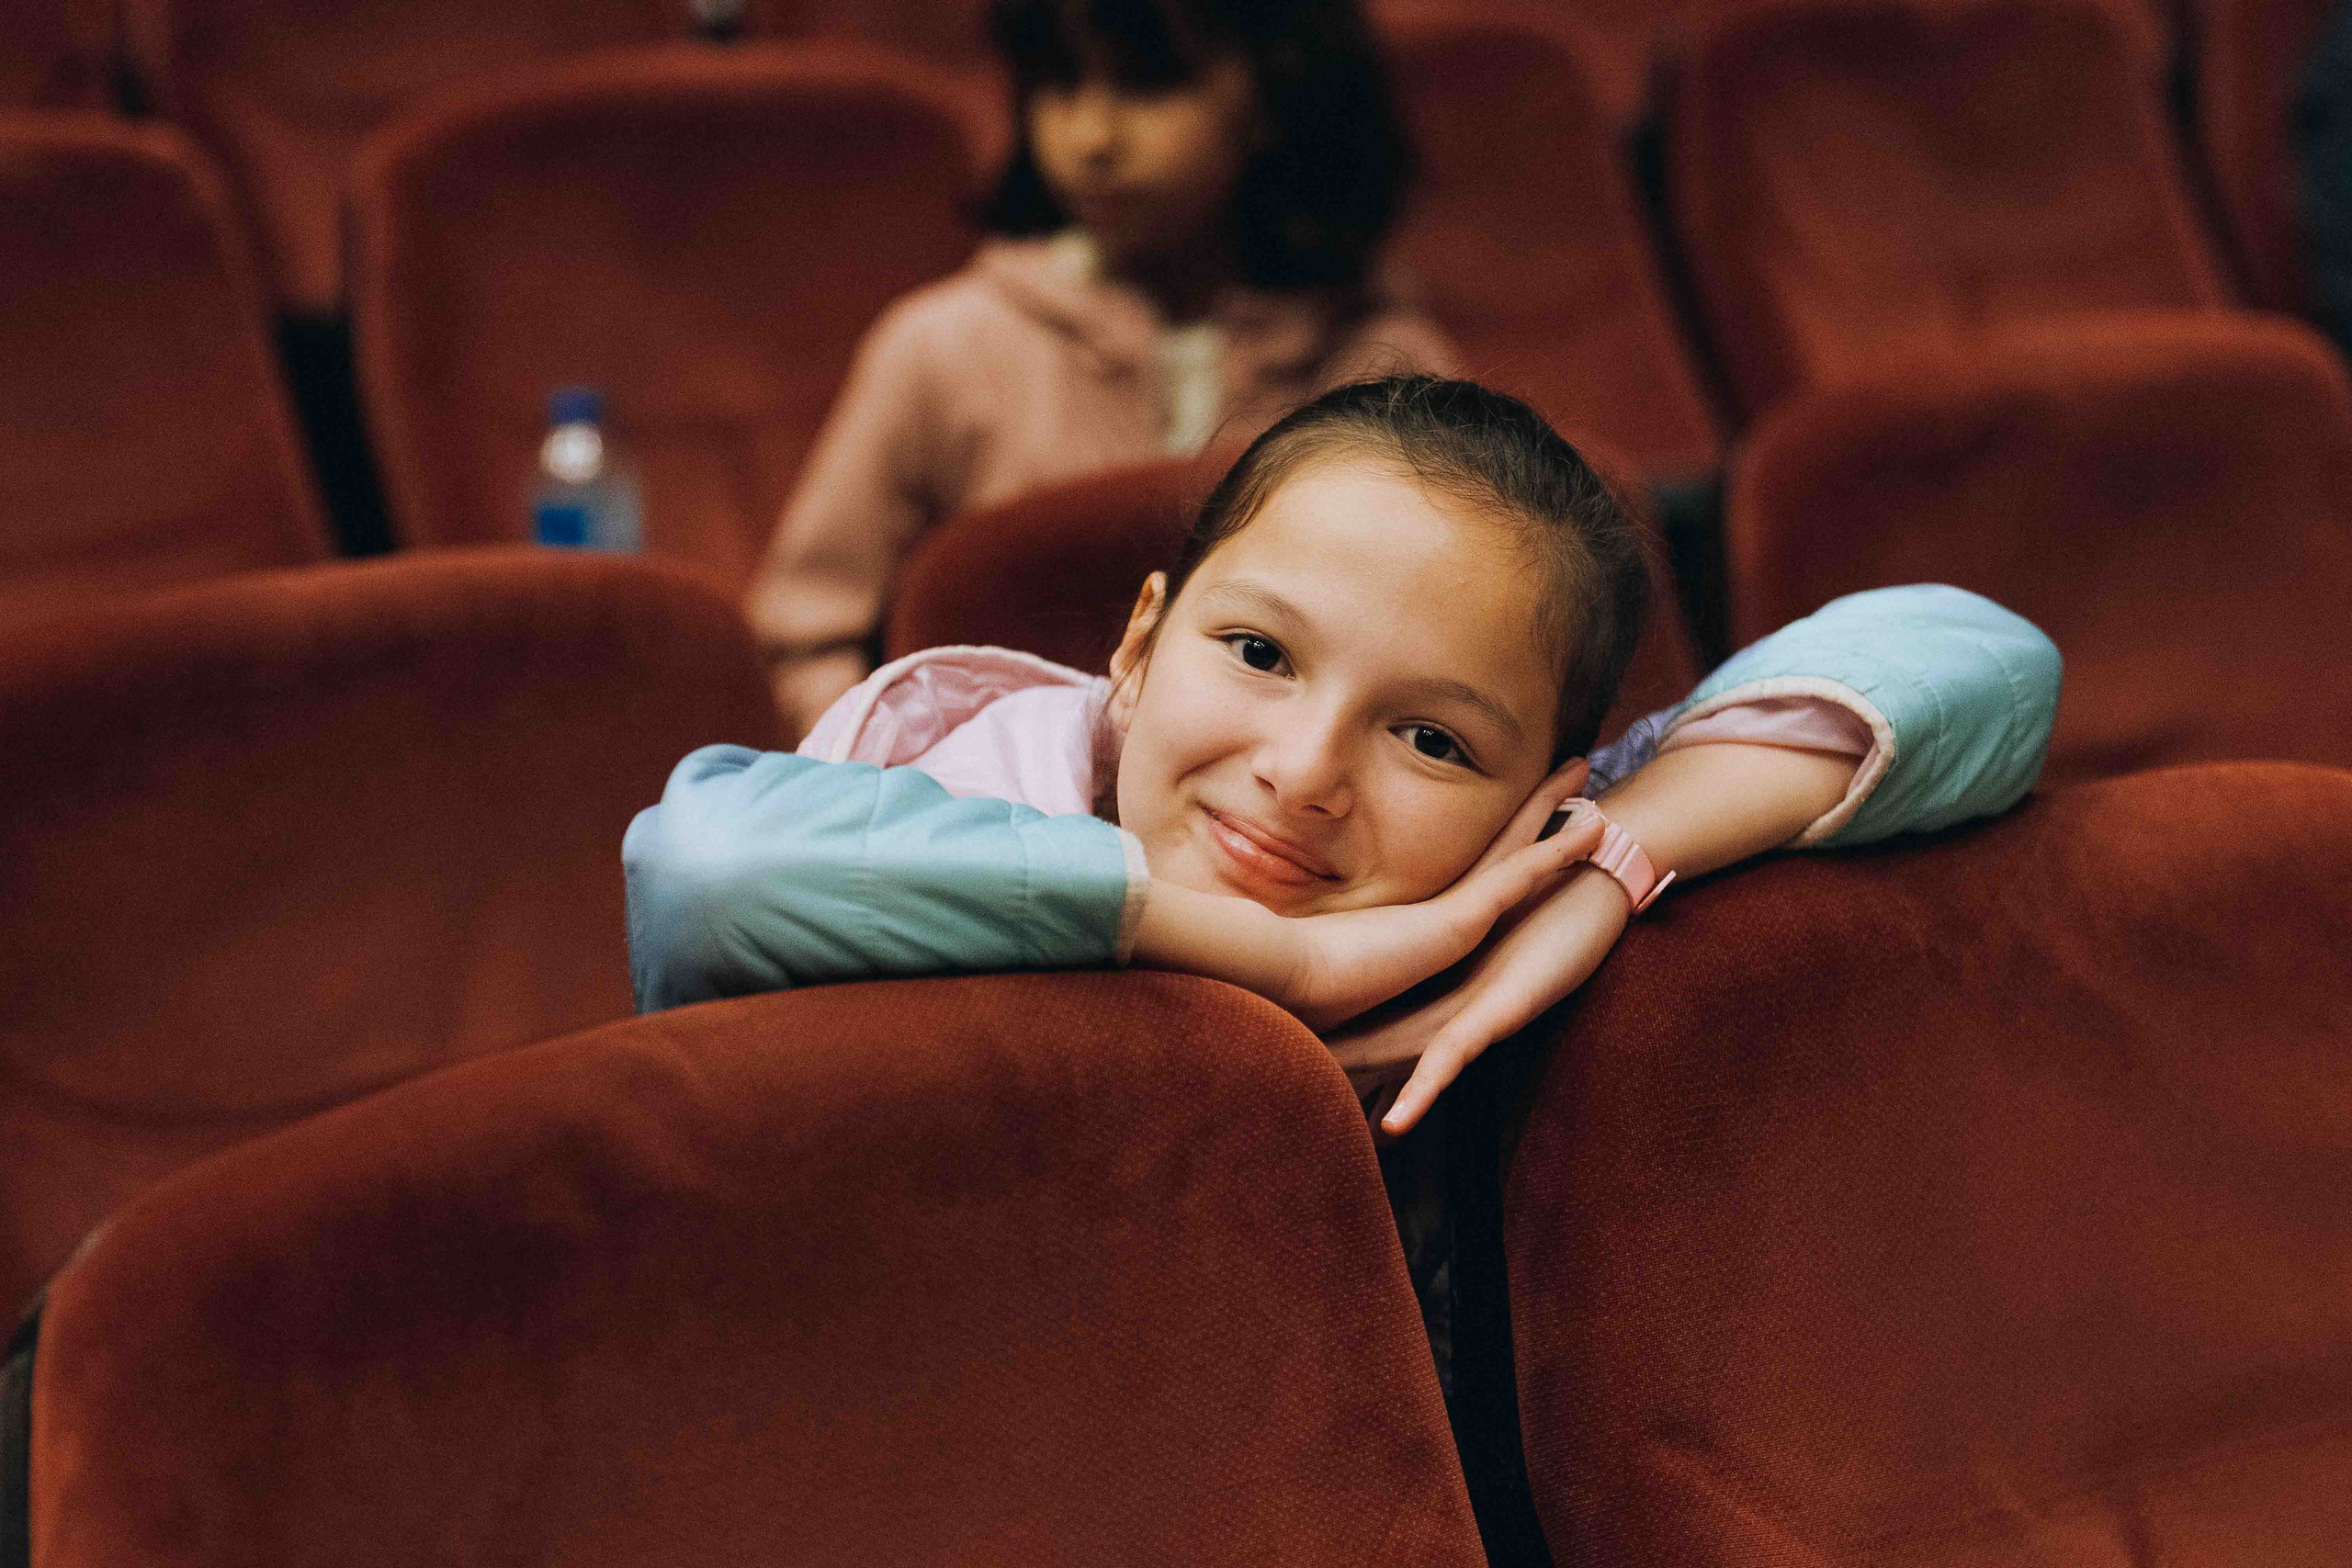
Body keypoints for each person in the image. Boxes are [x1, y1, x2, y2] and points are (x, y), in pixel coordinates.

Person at [631, 378, 2061, 1140]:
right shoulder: (944, 782)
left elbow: (1990, 659)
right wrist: (1291, 961)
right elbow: (707, 868)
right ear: (1139, 641)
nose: (1307, 769)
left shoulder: (1514, 862)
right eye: (1259, 652)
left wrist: (1609, 864)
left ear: (1538, 792)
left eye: (1432, 738)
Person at [745, 0, 1457, 739]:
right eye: (1059, 82)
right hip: (981, 799)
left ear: (1275, 95)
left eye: (1148, 84)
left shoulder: (1387, 363)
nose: (1091, 137)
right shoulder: (944, 344)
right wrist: (902, 776)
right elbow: (804, 641)